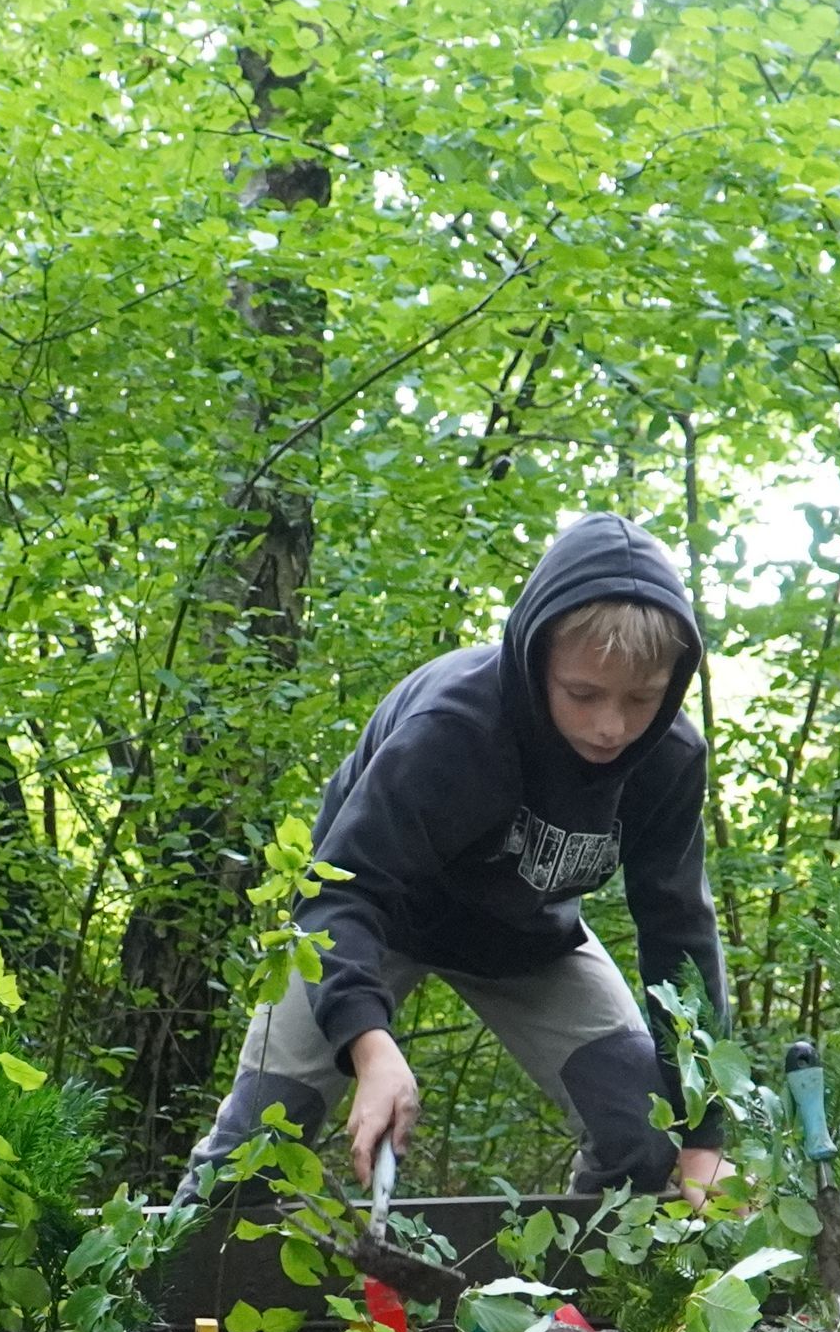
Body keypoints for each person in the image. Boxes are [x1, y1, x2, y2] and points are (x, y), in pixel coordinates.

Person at [176, 514, 736, 1203]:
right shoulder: (454, 728)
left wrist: (706, 1135)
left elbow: (678, 932)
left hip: (528, 936)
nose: (611, 726)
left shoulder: (668, 761)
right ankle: (176, 1301)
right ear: (537, 662)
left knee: (646, 1144)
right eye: (583, 694)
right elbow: (339, 893)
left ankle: (587, 1311)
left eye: (640, 700)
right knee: (252, 1153)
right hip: (368, 924)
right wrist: (370, 1045)